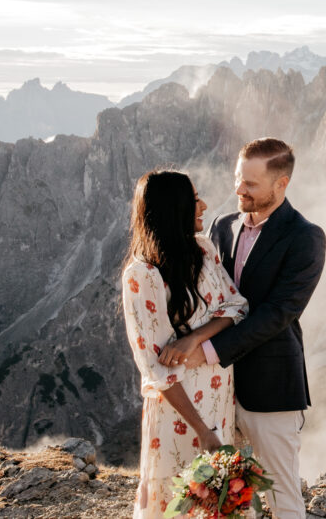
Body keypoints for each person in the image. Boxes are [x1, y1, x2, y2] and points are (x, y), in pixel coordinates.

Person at [169, 138, 326, 519]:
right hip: (216, 390)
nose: (239, 189)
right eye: (238, 179)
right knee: (227, 493)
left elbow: (277, 314)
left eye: (251, 184)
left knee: (281, 492)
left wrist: (205, 353)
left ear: (281, 184)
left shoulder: (306, 237)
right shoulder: (223, 226)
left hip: (271, 388)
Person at [121, 170, 249, 518]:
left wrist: (195, 337)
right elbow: (156, 369)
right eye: (194, 200)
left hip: (218, 399)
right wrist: (202, 431)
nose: (204, 205)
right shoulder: (142, 275)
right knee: (182, 501)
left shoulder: (203, 250)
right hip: (181, 414)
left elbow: (237, 306)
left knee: (219, 503)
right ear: (172, 208)